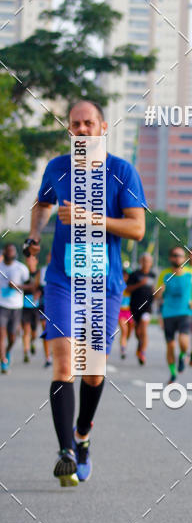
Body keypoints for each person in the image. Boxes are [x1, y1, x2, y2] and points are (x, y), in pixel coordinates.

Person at [26, 100, 145, 485]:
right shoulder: (57, 167)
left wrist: (88, 217)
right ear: (69, 129)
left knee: (92, 371)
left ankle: (82, 437)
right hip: (61, 279)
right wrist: (33, 235)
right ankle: (65, 451)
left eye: (88, 123)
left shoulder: (121, 171)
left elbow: (137, 228)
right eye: (75, 124)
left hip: (102, 283)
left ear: (102, 127)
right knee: (64, 365)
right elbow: (42, 203)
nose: (81, 130)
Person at [155, 246, 192, 383]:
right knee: (170, 345)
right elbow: (157, 296)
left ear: (184, 258)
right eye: (174, 255)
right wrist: (160, 291)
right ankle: (173, 373)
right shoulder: (165, 274)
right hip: (168, 313)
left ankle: (183, 355)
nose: (177, 258)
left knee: (183, 340)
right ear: (170, 258)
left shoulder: (190, 273)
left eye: (179, 255)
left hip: (185, 311)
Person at [0, 243, 29, 374]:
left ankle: (7, 352)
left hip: (16, 306)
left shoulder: (21, 268)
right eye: (8, 250)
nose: (10, 253)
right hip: (1, 305)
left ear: (15, 253)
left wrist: (17, 286)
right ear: (4, 253)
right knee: (1, 334)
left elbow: (31, 286)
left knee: (12, 337)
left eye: (12, 251)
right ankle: (4, 361)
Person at [126, 252, 156, 365]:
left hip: (147, 307)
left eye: (148, 261)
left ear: (151, 263)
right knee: (138, 332)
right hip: (135, 306)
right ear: (140, 262)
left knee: (144, 327)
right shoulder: (134, 275)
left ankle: (143, 352)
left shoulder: (153, 275)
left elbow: (154, 289)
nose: (146, 263)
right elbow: (128, 289)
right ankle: (140, 347)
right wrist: (140, 284)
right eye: (144, 261)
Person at [21, 254, 41, 363]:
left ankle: (32, 342)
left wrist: (38, 292)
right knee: (26, 330)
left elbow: (41, 287)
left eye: (32, 259)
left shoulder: (39, 273)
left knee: (34, 332)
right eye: (28, 259)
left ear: (36, 261)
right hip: (24, 305)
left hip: (35, 306)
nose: (30, 261)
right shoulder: (24, 273)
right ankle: (26, 352)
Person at [38, 252, 52, 368]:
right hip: (44, 303)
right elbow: (36, 286)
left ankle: (56, 351)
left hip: (58, 304)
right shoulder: (42, 270)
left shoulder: (63, 271)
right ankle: (47, 357)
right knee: (45, 330)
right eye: (49, 256)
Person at [117, 271, 133, 360]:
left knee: (129, 331)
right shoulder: (118, 286)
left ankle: (124, 343)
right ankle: (123, 349)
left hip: (129, 312)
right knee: (124, 330)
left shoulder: (130, 287)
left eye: (126, 276)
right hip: (120, 312)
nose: (124, 278)